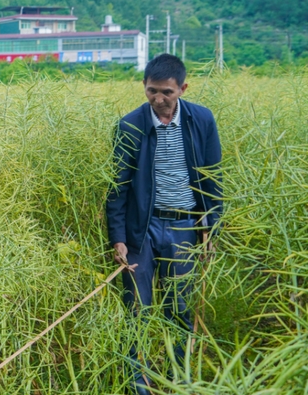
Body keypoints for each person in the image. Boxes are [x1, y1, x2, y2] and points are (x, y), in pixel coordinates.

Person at [105, 54, 222, 394]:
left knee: (179, 308)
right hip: (142, 230)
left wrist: (210, 226)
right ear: (144, 87)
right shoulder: (129, 125)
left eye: (167, 93)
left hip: (184, 228)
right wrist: (119, 238)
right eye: (152, 91)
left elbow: (213, 179)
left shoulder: (202, 120)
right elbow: (117, 187)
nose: (159, 100)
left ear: (182, 88)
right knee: (137, 309)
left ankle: (180, 379)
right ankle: (136, 386)